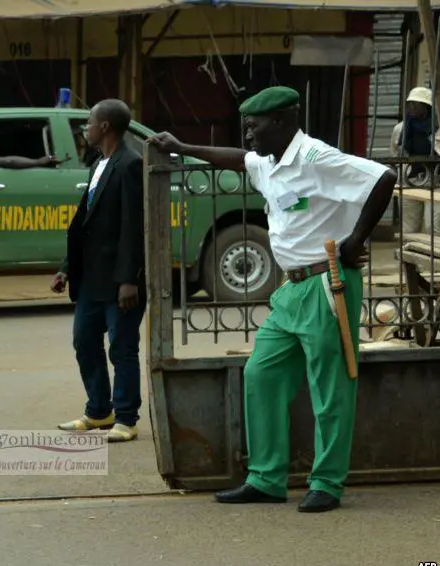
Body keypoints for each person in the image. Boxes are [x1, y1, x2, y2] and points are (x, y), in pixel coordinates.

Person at [148, 86, 396, 513]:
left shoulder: (317, 158)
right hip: (290, 289)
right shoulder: (269, 162)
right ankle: (266, 477)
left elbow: (383, 178)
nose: (248, 133)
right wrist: (182, 147)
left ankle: (327, 482)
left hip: (327, 283)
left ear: (281, 122)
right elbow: (233, 157)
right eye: (246, 125)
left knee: (330, 387)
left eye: (254, 125)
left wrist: (356, 239)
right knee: (260, 374)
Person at [51, 99, 146, 442]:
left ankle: (125, 417)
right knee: (84, 341)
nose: (85, 128)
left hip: (119, 280)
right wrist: (66, 267)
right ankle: (98, 411)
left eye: (89, 122)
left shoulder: (130, 164)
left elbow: (133, 227)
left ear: (105, 126)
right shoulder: (99, 164)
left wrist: (128, 279)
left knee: (122, 347)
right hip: (90, 277)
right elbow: (85, 223)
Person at [391, 86, 440, 234]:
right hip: (409, 179)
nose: (411, 107)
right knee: (409, 228)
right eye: (409, 103)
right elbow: (395, 153)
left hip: (436, 181)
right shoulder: (401, 129)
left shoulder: (437, 128)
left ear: (426, 106)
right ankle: (408, 255)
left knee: (434, 226)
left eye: (416, 103)